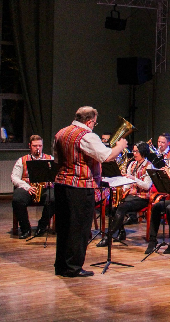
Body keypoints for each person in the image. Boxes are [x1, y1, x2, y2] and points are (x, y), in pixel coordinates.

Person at [54, 106, 128, 277]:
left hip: (61, 185)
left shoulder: (61, 133)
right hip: (80, 187)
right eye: (94, 123)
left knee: (64, 227)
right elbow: (107, 156)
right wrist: (120, 146)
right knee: (79, 228)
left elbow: (57, 159)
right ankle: (73, 267)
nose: (94, 126)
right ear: (89, 122)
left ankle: (61, 266)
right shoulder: (86, 135)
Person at [96, 141, 153, 247]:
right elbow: (127, 184)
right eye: (133, 151)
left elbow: (147, 186)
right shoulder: (132, 164)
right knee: (113, 208)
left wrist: (133, 179)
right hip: (131, 196)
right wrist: (122, 188)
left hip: (142, 198)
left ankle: (108, 237)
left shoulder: (149, 166)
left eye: (136, 152)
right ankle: (121, 232)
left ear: (143, 152)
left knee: (122, 207)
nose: (134, 154)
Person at [11, 135, 55, 239]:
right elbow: (14, 177)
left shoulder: (50, 159)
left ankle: (42, 226)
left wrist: (51, 181)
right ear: (30, 146)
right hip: (28, 188)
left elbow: (57, 175)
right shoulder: (21, 160)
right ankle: (25, 229)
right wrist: (27, 187)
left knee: (54, 198)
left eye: (40, 146)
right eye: (35, 146)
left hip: (44, 188)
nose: (38, 148)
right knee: (17, 199)